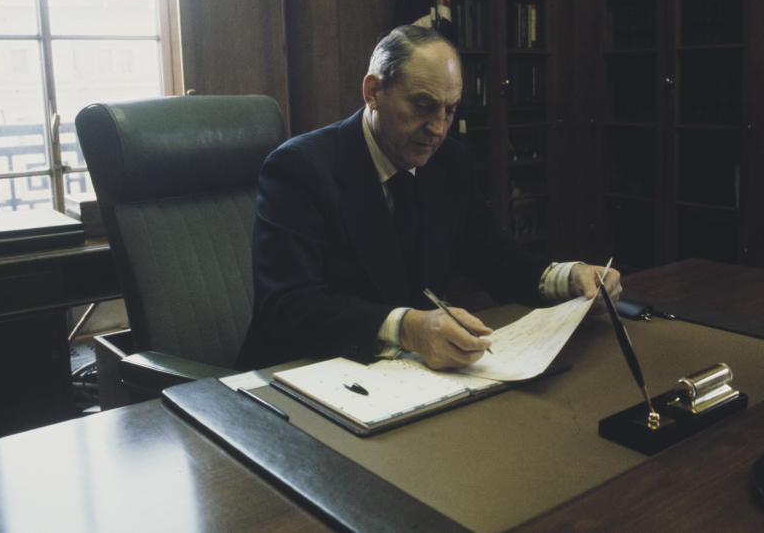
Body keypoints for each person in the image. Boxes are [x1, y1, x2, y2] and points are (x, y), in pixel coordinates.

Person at [236, 25, 621, 371]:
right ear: (373, 92)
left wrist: (568, 278)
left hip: (405, 378)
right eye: (422, 105)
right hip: (299, 379)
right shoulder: (299, 169)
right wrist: (409, 328)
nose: (437, 129)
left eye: (450, 111)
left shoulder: (448, 162)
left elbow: (497, 259)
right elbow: (289, 308)